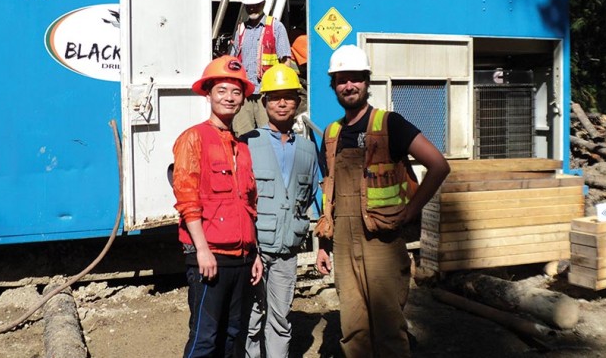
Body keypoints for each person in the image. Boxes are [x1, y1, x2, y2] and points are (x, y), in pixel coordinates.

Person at [314, 45, 450, 358]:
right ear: (334, 85)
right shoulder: (331, 134)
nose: (349, 85)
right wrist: (323, 244)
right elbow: (328, 192)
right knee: (353, 327)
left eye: (355, 78)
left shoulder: (390, 124)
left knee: (388, 327)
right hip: (343, 243)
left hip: (383, 241)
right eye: (342, 80)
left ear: (367, 82)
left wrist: (411, 211)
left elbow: (439, 166)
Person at [172, 55, 265, 358]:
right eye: (222, 90)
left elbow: (249, 204)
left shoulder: (242, 147)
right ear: (208, 94)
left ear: (243, 100)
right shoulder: (193, 138)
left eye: (236, 92)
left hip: (242, 258)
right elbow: (187, 199)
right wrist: (202, 250)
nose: (229, 97)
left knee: (232, 335)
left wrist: (254, 253)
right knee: (205, 338)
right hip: (210, 257)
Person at [239, 64, 319, 358]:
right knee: (251, 318)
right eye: (275, 97)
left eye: (289, 97)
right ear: (264, 102)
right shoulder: (247, 143)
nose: (282, 103)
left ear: (298, 102)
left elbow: (308, 197)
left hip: (287, 251)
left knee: (281, 320)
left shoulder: (308, 150)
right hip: (255, 250)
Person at [230, 0, 293, 136]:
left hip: (267, 93)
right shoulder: (241, 30)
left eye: (256, 5)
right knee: (243, 135)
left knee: (271, 134)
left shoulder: (276, 27)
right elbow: (233, 62)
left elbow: (285, 63)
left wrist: (280, 94)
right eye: (249, 5)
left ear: (263, 3)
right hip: (245, 93)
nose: (252, 9)